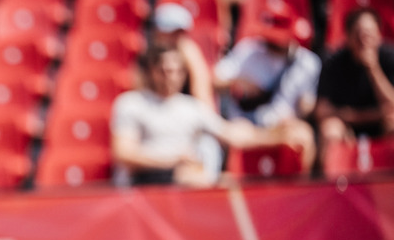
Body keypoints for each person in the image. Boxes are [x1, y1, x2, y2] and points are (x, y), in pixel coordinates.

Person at [111, 44, 295, 186]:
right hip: (143, 184)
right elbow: (124, 154)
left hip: (183, 183)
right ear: (151, 71)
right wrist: (174, 160)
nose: (171, 77)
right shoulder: (131, 104)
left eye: (177, 71)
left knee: (225, 182)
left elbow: (231, 135)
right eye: (164, 71)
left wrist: (280, 136)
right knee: (194, 178)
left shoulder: (192, 107)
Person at [212, 0, 319, 171]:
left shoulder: (307, 63)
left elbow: (308, 107)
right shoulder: (248, 50)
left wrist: (303, 110)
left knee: (303, 135)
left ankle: (301, 186)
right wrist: (239, 83)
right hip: (248, 125)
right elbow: (216, 80)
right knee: (234, 134)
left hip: (283, 127)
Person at [316, 7, 394, 165]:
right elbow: (321, 111)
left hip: (380, 125)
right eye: (358, 35)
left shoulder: (389, 58)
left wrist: (373, 68)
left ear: (379, 35)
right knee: (330, 130)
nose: (364, 40)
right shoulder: (333, 62)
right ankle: (332, 179)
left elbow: (392, 105)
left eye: (369, 34)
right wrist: (371, 114)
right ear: (348, 36)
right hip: (346, 127)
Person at [150, 2, 216, 108]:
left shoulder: (189, 52)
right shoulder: (147, 54)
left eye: (180, 32)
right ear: (158, 32)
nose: (177, 37)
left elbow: (202, 94)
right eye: (172, 33)